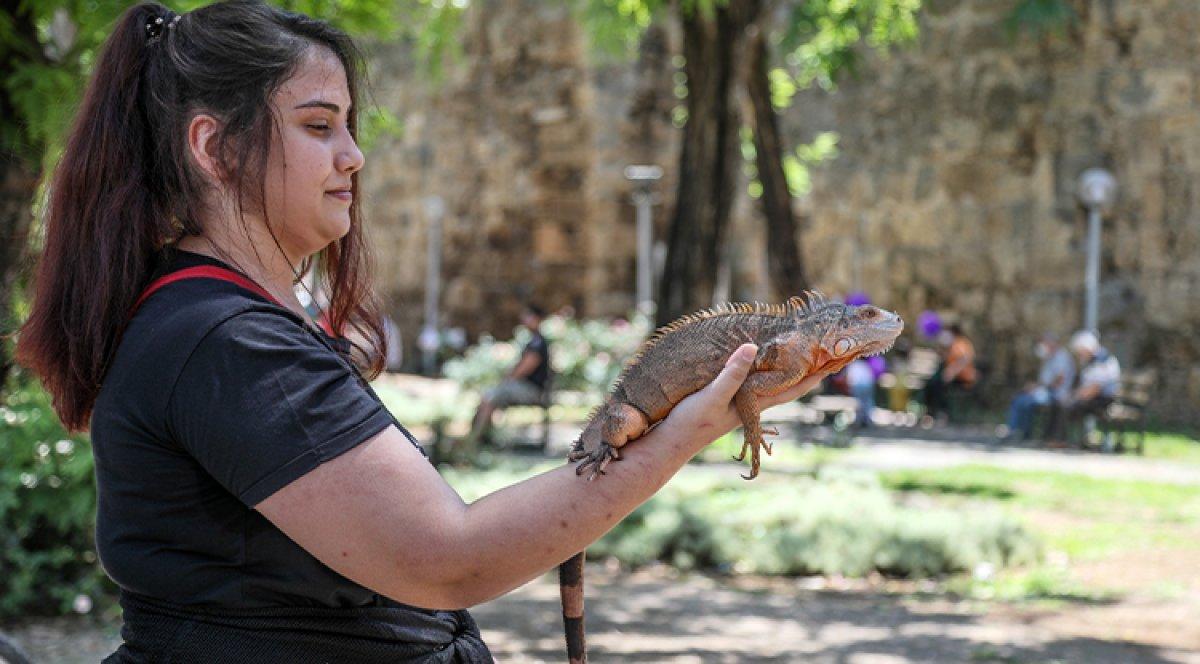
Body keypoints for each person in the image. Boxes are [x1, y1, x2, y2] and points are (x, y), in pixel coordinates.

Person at [12, 3, 832, 661]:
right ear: (214, 149)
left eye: (348, 125)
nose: (355, 156)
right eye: (318, 125)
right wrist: (685, 432)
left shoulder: (222, 321)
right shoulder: (224, 341)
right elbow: (450, 560)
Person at [462, 304, 551, 450]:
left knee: (490, 397)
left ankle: (475, 440)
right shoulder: (534, 340)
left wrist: (507, 379)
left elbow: (525, 368)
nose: (524, 320)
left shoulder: (538, 342)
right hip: (525, 387)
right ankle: (481, 437)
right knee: (488, 396)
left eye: (527, 316)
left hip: (531, 391)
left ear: (536, 319)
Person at [1052, 330, 1121, 448]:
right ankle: (1065, 440)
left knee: (1067, 406)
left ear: (1087, 349)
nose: (1079, 355)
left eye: (1080, 352)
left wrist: (1073, 397)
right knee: (1061, 403)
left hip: (1103, 400)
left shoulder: (1103, 360)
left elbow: (1094, 389)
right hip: (1094, 398)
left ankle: (1065, 441)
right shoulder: (1092, 360)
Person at [1001, 333, 1074, 442]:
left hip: (1055, 394)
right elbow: (1045, 379)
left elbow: (1059, 380)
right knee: (1019, 399)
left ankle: (1024, 433)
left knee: (1026, 402)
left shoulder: (1062, 357)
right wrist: (1034, 386)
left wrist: (1039, 387)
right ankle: (1015, 430)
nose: (1042, 346)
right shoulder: (1049, 358)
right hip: (1044, 391)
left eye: (1044, 343)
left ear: (1052, 343)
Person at [922, 323, 978, 422]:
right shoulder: (954, 344)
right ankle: (932, 412)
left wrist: (952, 372)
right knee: (932, 384)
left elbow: (964, 359)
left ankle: (941, 412)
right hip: (956, 378)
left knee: (937, 386)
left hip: (963, 378)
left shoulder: (961, 343)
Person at [845, 358, 876, 428]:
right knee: (867, 401)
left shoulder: (852, 364)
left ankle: (859, 420)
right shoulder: (865, 364)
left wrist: (850, 387)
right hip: (868, 384)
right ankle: (867, 419)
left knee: (858, 403)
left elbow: (850, 377)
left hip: (858, 385)